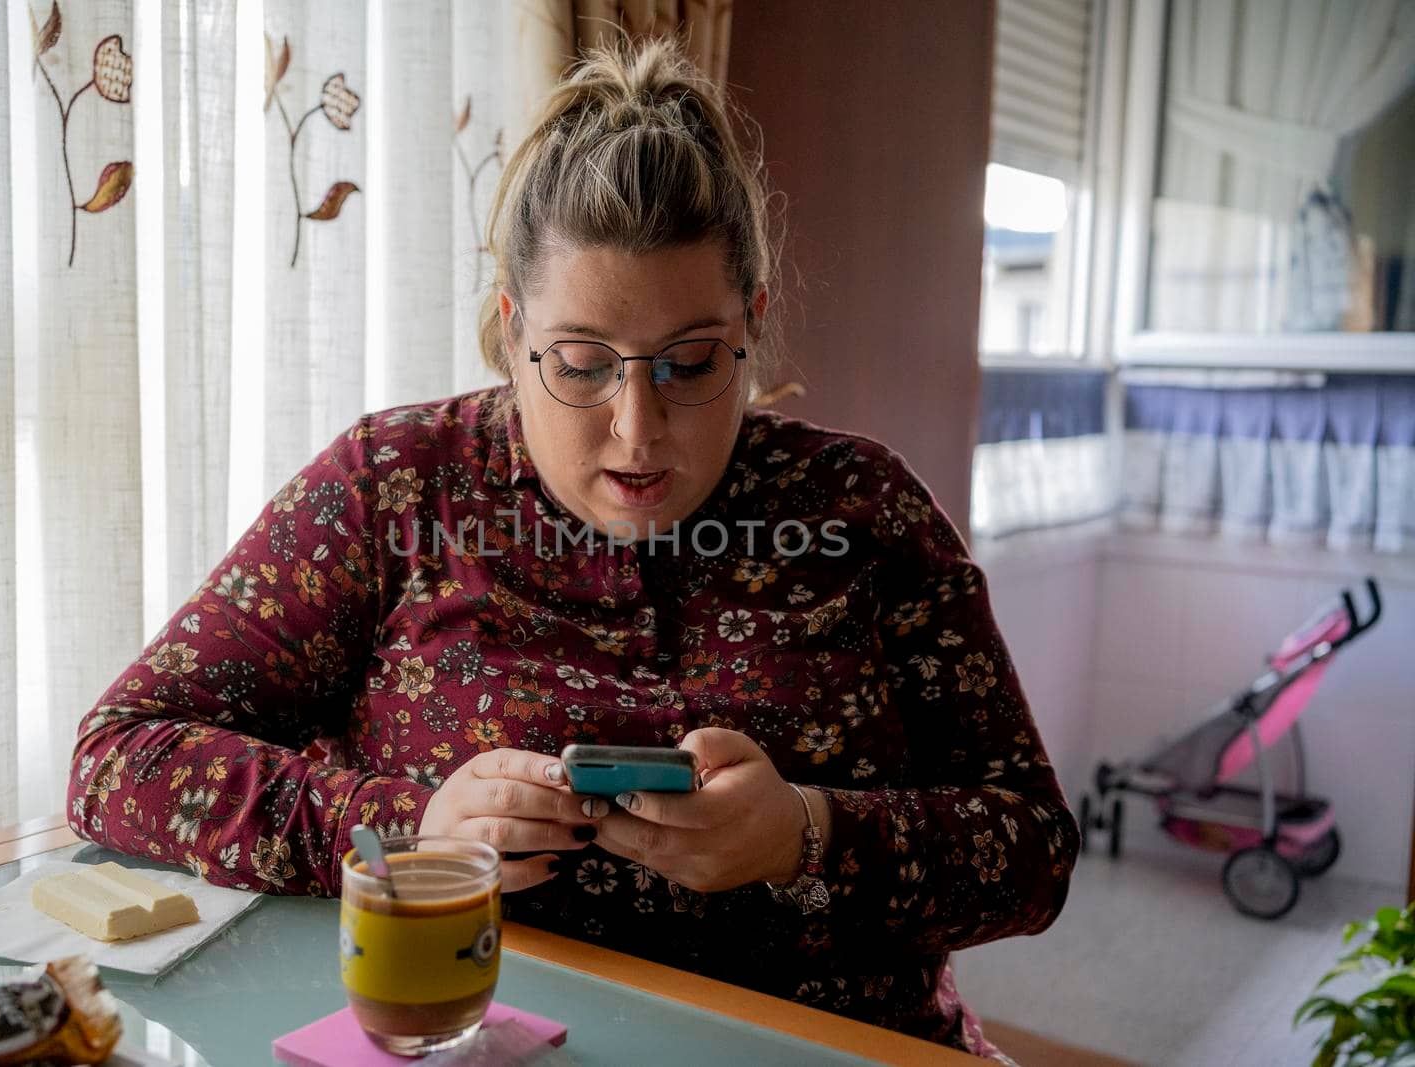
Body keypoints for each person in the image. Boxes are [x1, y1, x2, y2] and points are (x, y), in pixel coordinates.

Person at [67, 36, 1077, 1058]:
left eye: (690, 363)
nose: (637, 427)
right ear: (512, 332)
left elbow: (1035, 848)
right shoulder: (393, 486)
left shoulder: (864, 508)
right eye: (583, 364)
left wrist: (806, 831)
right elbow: (120, 757)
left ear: (752, 326)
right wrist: (409, 827)